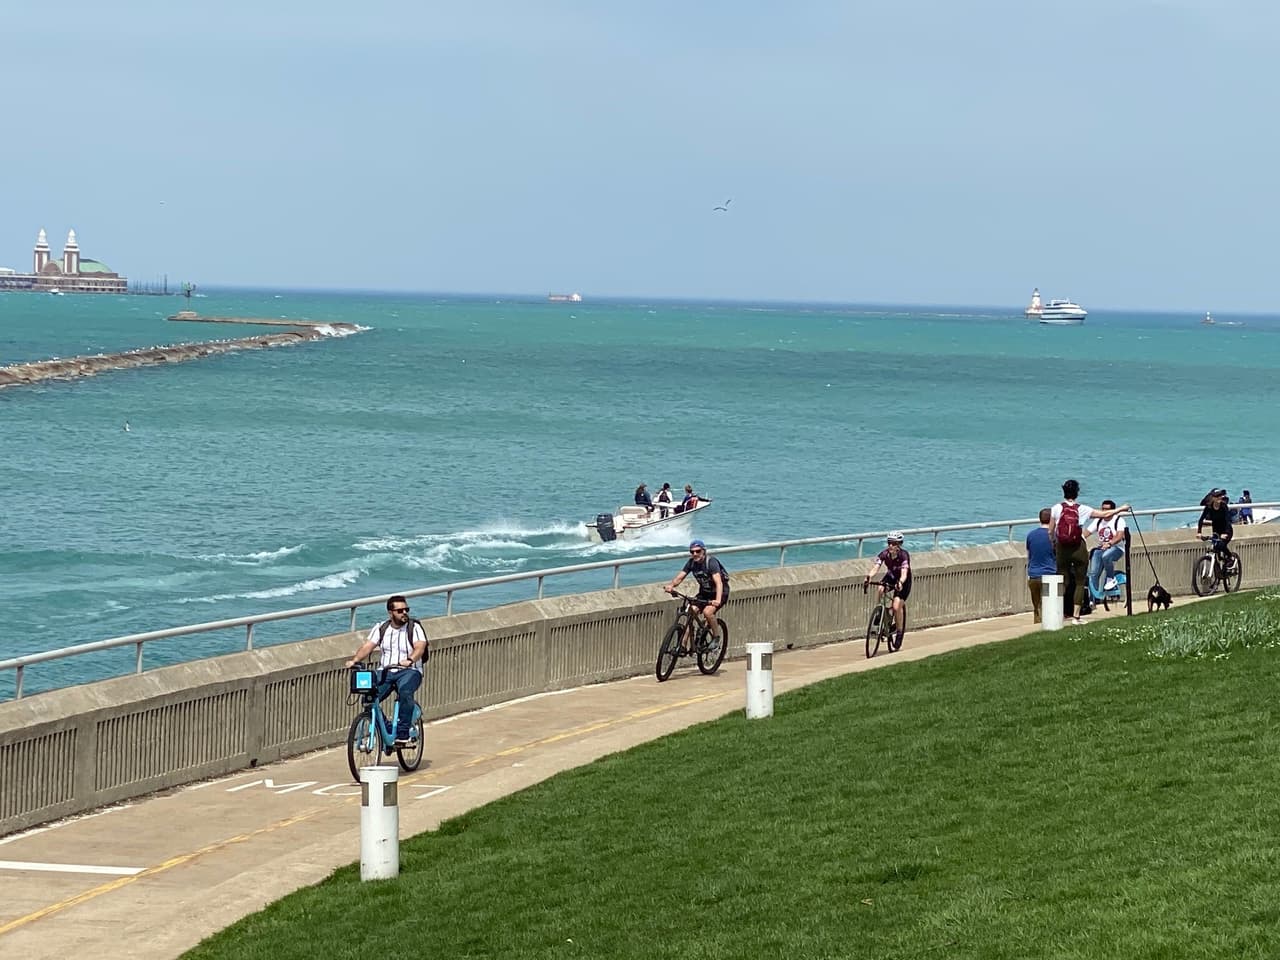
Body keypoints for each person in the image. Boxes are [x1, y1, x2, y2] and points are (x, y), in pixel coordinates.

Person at [344, 595, 428, 747]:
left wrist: (410, 660)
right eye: (400, 610)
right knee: (368, 698)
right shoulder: (381, 628)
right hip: (386, 671)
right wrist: (355, 660)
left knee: (405, 692)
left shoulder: (414, 627)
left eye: (406, 609)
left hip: (410, 671)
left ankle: (403, 733)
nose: (404, 613)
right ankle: (388, 729)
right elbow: (368, 646)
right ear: (390, 613)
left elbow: (420, 647)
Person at [1051, 479, 1130, 625]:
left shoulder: (1056, 508)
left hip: (1062, 548)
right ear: (1077, 493)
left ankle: (1058, 613)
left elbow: (1051, 532)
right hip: (1078, 547)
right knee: (1081, 582)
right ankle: (1075, 617)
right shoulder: (1083, 509)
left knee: (1062, 580)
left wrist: (1054, 546)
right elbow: (1105, 515)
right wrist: (1121, 509)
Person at [664, 539, 728, 653]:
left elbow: (719, 583)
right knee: (691, 612)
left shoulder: (711, 562)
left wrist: (717, 600)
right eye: (692, 552)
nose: (695, 554)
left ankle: (716, 637)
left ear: (703, 551)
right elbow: (680, 577)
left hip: (720, 593)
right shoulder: (691, 563)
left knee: (708, 612)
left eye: (698, 551)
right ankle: (682, 645)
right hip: (704, 593)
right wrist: (671, 586)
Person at [864, 531, 911, 645]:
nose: (890, 546)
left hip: (903, 581)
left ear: (899, 544)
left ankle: (899, 632)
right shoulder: (884, 554)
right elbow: (876, 567)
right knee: (880, 588)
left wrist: (900, 582)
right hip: (891, 576)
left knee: (895, 607)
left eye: (894, 543)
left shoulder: (904, 555)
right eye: (889, 543)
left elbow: (904, 572)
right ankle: (880, 613)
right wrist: (869, 577)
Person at [1087, 499, 1127, 593]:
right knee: (1093, 572)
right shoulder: (1098, 520)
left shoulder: (1119, 520)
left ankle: (1110, 578)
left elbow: (1119, 536)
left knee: (1106, 556)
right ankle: (1094, 597)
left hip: (1117, 548)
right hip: (1101, 548)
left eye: (1107, 509)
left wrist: (1109, 544)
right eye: (1103, 509)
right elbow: (1087, 532)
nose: (1104, 511)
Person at [1025, 508, 1056, 624]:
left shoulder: (1031, 535)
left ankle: (1037, 626)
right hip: (1050, 574)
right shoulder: (1055, 535)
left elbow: (1029, 553)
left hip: (1033, 575)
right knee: (1050, 607)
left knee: (1037, 607)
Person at [1198, 488, 1234, 561]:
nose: (1219, 498)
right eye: (1217, 496)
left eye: (1220, 496)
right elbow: (1201, 519)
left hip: (1226, 530)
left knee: (1221, 545)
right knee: (1215, 547)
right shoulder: (1209, 507)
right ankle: (1218, 567)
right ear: (1213, 498)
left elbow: (1227, 521)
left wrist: (1225, 533)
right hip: (1216, 530)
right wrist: (1199, 532)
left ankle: (1231, 557)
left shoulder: (1223, 506)